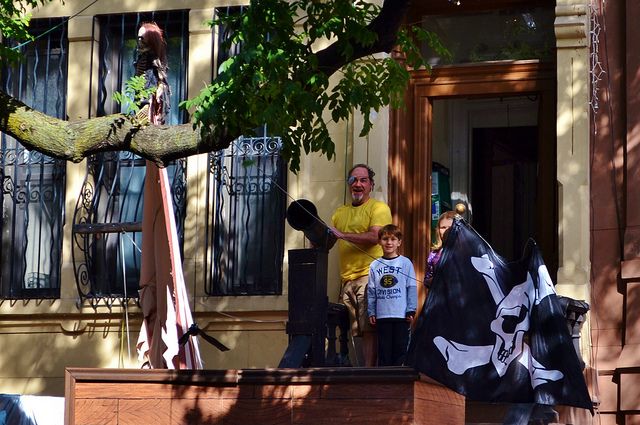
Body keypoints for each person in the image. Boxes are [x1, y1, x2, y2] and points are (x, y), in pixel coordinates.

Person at [331, 164, 392, 367]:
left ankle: (370, 373)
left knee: (369, 328)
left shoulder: (378, 208)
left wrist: (343, 235)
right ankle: (361, 372)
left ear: (371, 185)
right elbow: (328, 239)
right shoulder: (340, 212)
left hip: (369, 277)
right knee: (354, 329)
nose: (358, 184)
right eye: (353, 180)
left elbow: (376, 236)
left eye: (363, 180)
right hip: (347, 280)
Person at [367, 224, 417, 366]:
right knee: (384, 351)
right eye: (385, 239)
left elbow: (411, 287)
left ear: (399, 242)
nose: (389, 242)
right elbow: (371, 290)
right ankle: (384, 384)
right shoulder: (374, 265)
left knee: (400, 350)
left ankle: (399, 384)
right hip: (382, 316)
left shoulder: (405, 263)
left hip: (401, 315)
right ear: (379, 241)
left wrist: (411, 309)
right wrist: (371, 311)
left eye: (393, 239)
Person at [424, 210, 456, 288]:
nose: (447, 230)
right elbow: (426, 280)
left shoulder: (467, 252)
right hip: (439, 297)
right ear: (438, 230)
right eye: (443, 227)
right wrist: (435, 280)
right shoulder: (434, 255)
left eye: (450, 227)